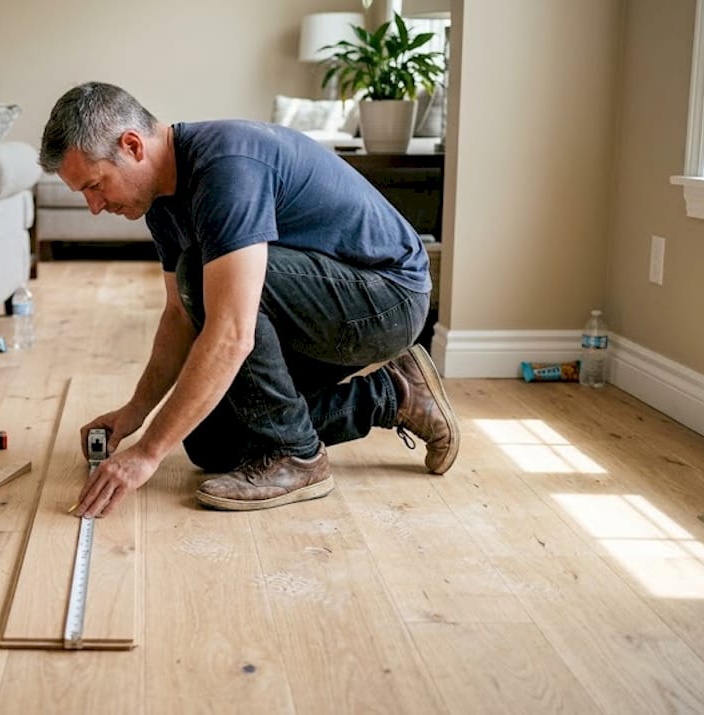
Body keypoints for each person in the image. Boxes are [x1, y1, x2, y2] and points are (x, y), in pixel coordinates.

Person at [41, 82, 459, 518]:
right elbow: (178, 315)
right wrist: (136, 413)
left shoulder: (225, 166)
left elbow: (231, 334)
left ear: (132, 146)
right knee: (212, 443)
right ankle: (395, 394)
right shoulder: (161, 204)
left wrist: (147, 454)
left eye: (94, 185)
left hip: (386, 300)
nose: (93, 205)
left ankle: (298, 456)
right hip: (322, 308)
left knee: (200, 272)